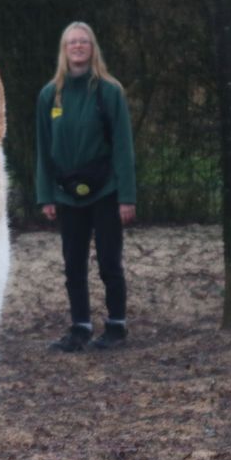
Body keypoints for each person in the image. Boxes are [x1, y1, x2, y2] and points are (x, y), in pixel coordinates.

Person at [35, 21, 136, 352]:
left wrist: (127, 197)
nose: (78, 46)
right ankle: (80, 328)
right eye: (72, 42)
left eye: (84, 42)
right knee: (73, 265)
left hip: (105, 190)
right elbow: (43, 148)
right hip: (67, 193)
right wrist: (46, 195)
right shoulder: (50, 95)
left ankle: (116, 327)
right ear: (64, 50)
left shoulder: (109, 92)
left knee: (109, 262)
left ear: (93, 49)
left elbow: (123, 147)